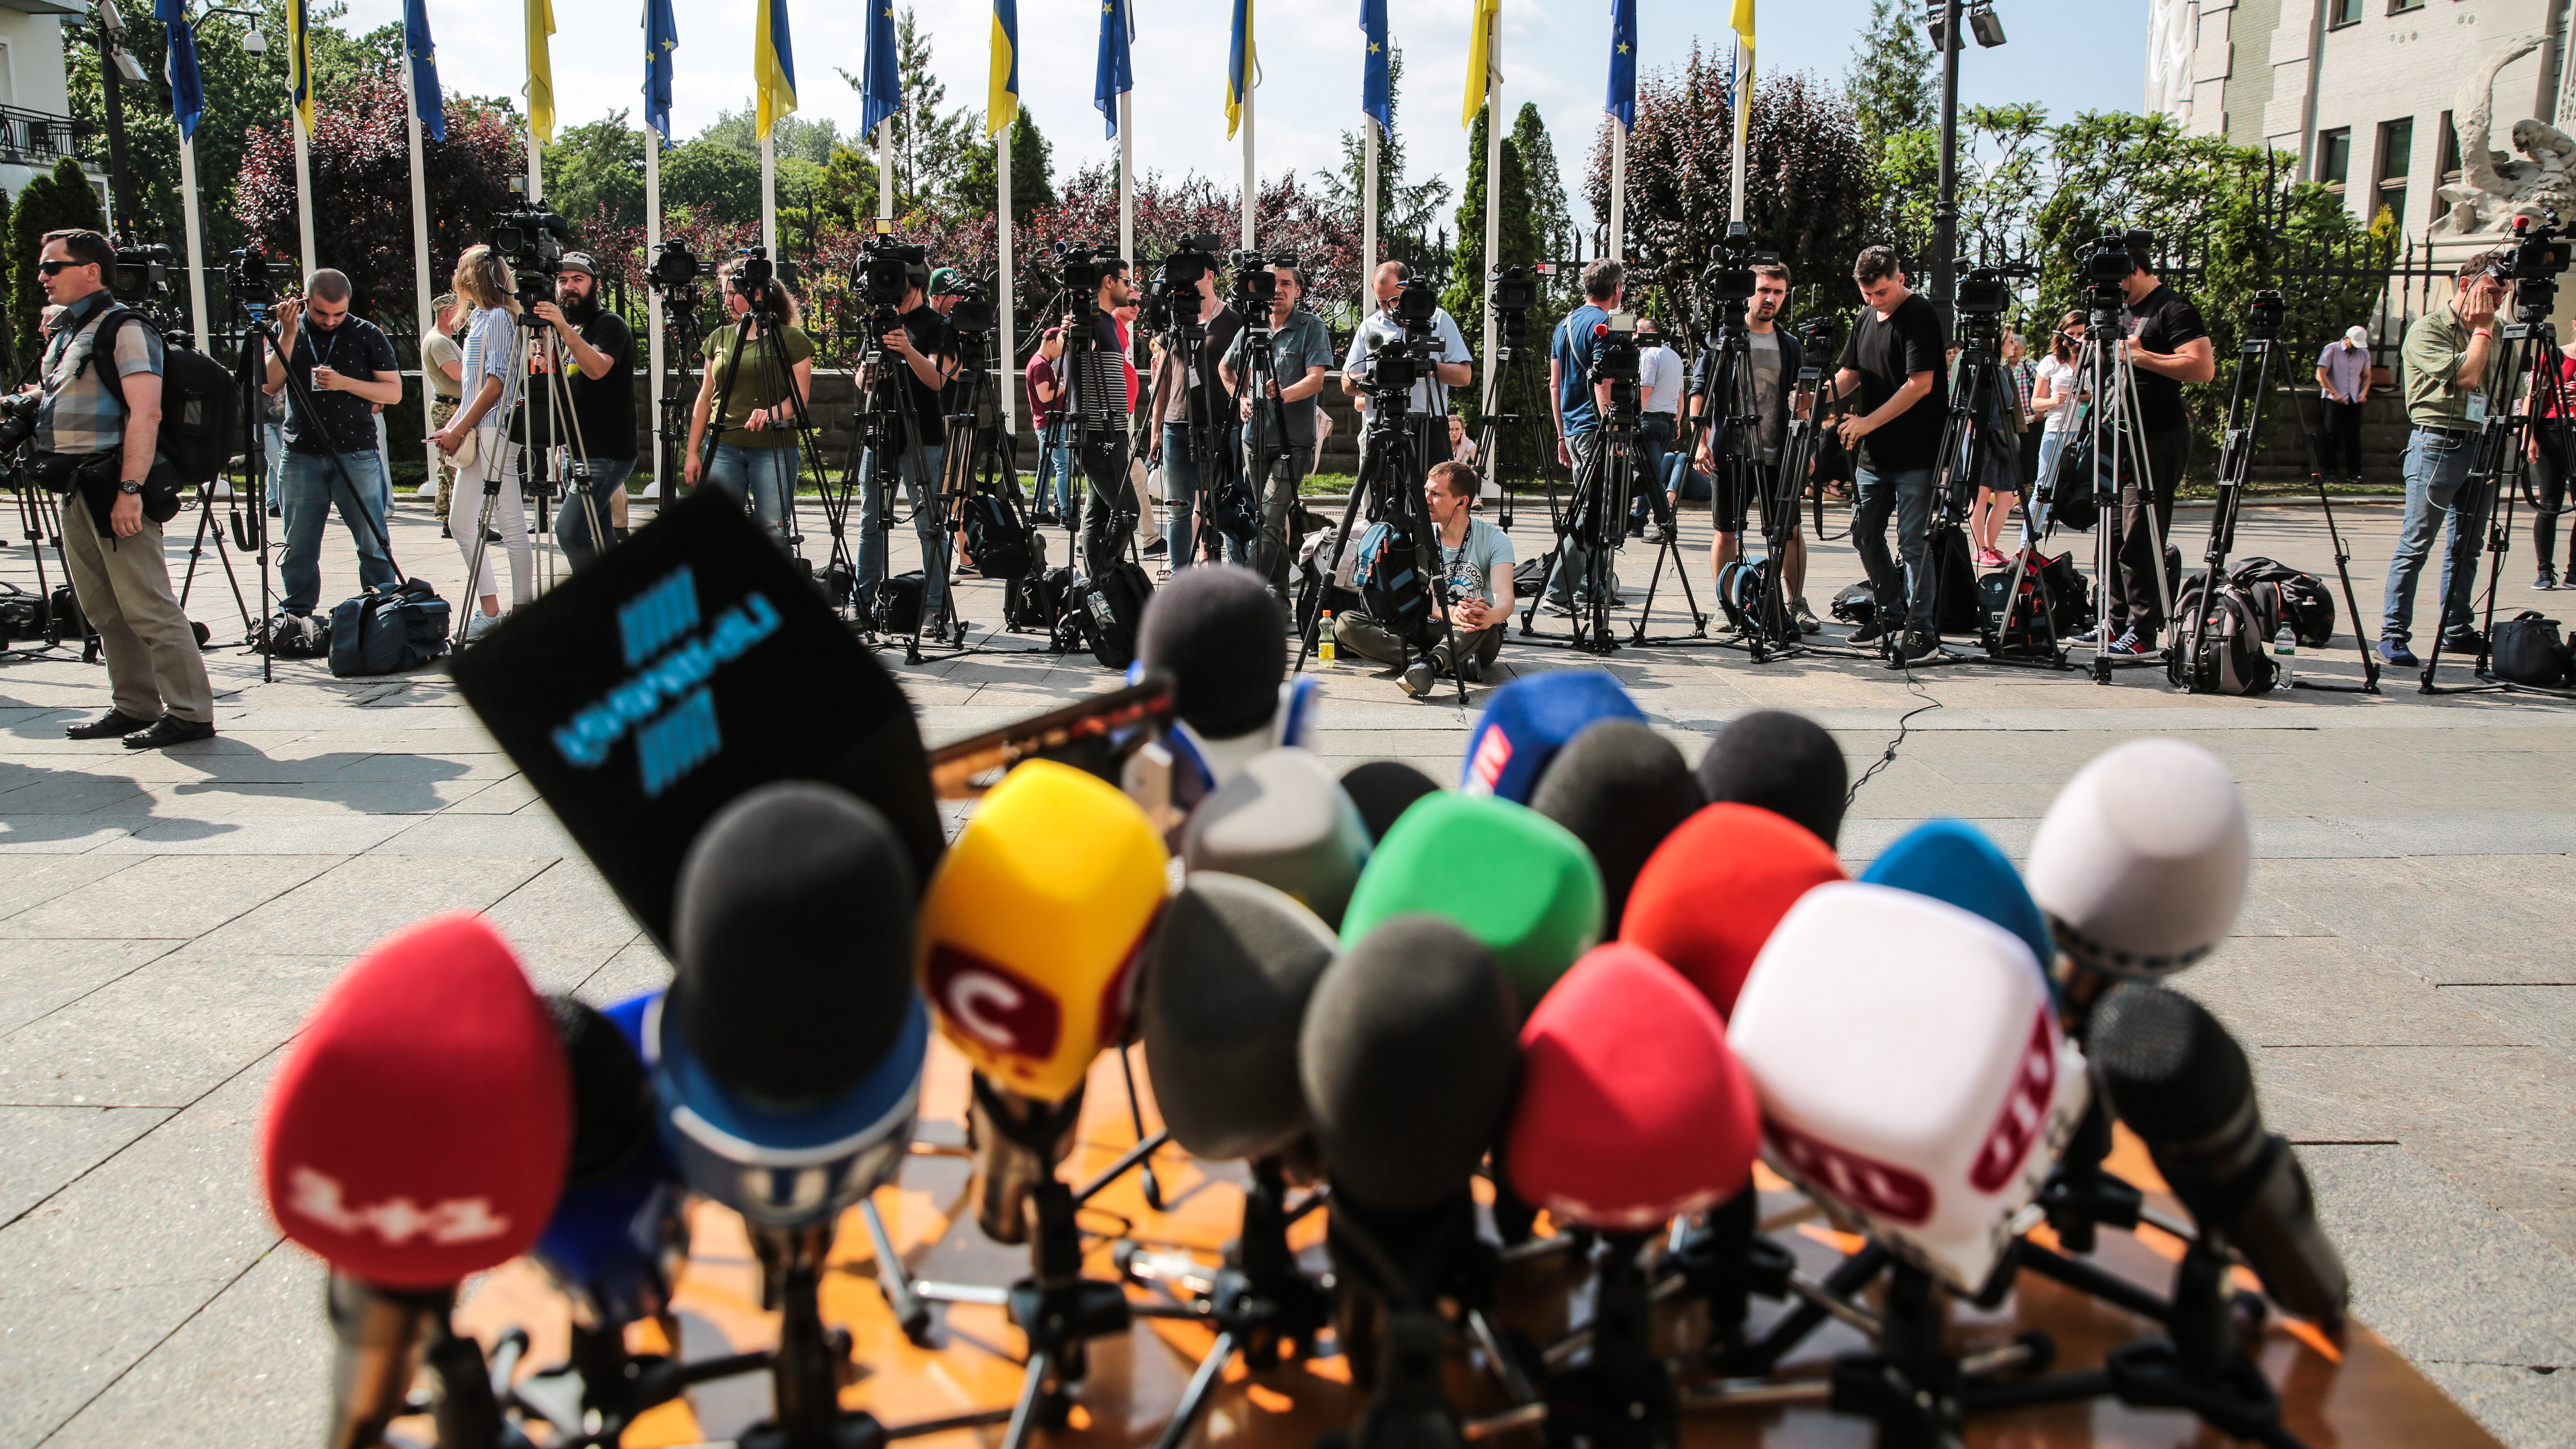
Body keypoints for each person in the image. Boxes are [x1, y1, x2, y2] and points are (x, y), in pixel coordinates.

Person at [36, 228, 215, 748]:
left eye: (53, 266)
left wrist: (131, 490)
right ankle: (135, 705)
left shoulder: (125, 328)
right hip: (77, 485)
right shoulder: (70, 330)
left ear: (91, 271)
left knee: (148, 606)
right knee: (102, 607)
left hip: (114, 483)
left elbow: (147, 412)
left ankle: (191, 713)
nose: (42, 276)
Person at [2381, 255, 2508, 666]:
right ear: (2465, 284)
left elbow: (2504, 389)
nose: (2498, 301)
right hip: (2438, 444)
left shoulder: (2500, 329)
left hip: (2484, 442)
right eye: (2491, 291)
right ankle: (2393, 633)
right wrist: (2483, 330)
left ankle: (2457, 629)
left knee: (2468, 547)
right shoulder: (2429, 329)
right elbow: (2467, 377)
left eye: (2503, 293)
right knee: (2416, 543)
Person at [1827, 245, 1949, 663]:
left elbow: (1920, 385)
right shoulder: (1865, 317)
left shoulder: (1920, 314)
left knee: (1913, 543)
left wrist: (1867, 423)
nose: (1875, 301)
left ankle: (1923, 631)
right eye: (1867, 294)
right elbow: (1849, 374)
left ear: (1900, 278)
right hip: (1875, 455)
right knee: (1864, 535)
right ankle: (1891, 613)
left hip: (1917, 452)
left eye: (1881, 292)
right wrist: (1818, 397)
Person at [265, 267, 403, 625]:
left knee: (373, 541)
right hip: (300, 452)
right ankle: (295, 618)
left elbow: (393, 392)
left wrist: (344, 383)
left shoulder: (367, 333)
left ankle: (382, 614)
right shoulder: (288, 328)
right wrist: (289, 334)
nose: (329, 321)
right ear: (305, 301)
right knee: (299, 545)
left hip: (356, 450)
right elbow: (269, 384)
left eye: (338, 314)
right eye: (321, 313)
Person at [2101, 235, 2213, 657]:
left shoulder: (2173, 307)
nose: (2113, 290)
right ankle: (2113, 624)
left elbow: (2202, 368)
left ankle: (2143, 630)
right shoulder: (2121, 309)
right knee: (2112, 533)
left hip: (2158, 435)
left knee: (2140, 534)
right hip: (2119, 434)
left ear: (2134, 270)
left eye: (2117, 280)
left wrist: (2141, 356)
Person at [1693, 262, 1814, 632]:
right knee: (1726, 532)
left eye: (1778, 292)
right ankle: (1725, 605)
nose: (1770, 298)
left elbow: (1801, 401)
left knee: (1790, 531)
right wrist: (1700, 442)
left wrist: (1807, 449)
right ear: (1749, 292)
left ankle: (1797, 604)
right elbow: (1700, 390)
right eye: (1764, 290)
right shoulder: (1723, 339)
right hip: (1731, 452)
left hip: (1779, 454)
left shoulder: (1789, 345)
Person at [1333, 461, 1514, 697]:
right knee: (1345, 623)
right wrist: (1450, 613)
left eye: (1436, 494)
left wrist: (1492, 615)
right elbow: (1417, 599)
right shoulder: (1414, 534)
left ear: (1462, 502)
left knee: (1479, 616)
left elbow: (1505, 597)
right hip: (1422, 624)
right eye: (1426, 491)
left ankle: (1432, 664)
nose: (1425, 499)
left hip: (1470, 632)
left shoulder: (1494, 539)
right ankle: (1443, 663)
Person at [849, 266, 958, 630]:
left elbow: (938, 380)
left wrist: (908, 350)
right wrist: (867, 375)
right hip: (880, 432)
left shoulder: (937, 324)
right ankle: (861, 604)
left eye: (895, 278)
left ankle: (934, 608)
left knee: (930, 524)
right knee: (870, 521)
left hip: (922, 435)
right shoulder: (878, 321)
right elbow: (861, 380)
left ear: (916, 282)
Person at [430, 246, 532, 636]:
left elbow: (495, 385)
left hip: (495, 430)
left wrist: (458, 429)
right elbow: (477, 387)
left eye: (460, 270)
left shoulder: (500, 319)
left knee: (511, 524)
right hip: (480, 429)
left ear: (471, 277)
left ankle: (517, 613)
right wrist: (454, 426)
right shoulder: (483, 318)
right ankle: (491, 611)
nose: (455, 278)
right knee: (461, 522)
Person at [1221, 262, 1335, 594]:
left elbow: (1316, 381)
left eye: (1286, 283)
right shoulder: (1252, 328)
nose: (1278, 290)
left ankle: (1244, 596)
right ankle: (1281, 599)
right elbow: (1225, 368)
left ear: (1298, 290)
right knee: (1269, 521)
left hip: (1294, 440)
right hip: (1253, 439)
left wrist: (1283, 395)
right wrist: (1240, 398)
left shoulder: (1311, 326)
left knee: (1271, 519)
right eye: (1272, 284)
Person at [686, 257, 815, 545]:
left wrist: (770, 413)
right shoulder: (720, 338)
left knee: (772, 530)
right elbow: (705, 397)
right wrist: (693, 452)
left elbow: (799, 399)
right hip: (722, 447)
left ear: (756, 292)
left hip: (773, 448)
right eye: (725, 293)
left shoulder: (791, 339)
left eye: (733, 293)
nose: (727, 301)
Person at [530, 252, 637, 572]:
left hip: (606, 453)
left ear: (596, 286)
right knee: (600, 537)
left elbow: (597, 369)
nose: (569, 287)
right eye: (563, 281)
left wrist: (563, 328)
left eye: (578, 280)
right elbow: (569, 392)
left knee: (570, 532)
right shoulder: (576, 330)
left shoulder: (609, 325)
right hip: (576, 450)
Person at [1344, 260, 1473, 504]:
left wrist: (1428, 366)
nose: (1388, 308)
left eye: (1394, 300)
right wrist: (1378, 375)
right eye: (1381, 302)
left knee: (1433, 504)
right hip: (1382, 425)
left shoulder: (1439, 320)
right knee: (1381, 504)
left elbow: (1464, 376)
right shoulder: (1370, 326)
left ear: (1409, 290)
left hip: (1429, 426)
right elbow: (1347, 383)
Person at [1148, 265, 1245, 571]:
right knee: (1179, 508)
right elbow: (1163, 377)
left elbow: (1243, 375)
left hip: (1222, 424)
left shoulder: (1233, 321)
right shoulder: (1174, 319)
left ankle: (1237, 580)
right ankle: (1180, 578)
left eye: (1194, 272)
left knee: (1226, 504)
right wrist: (1155, 429)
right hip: (1177, 424)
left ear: (1211, 276)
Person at [1548, 259, 1628, 611]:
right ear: (1616, 289)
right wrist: (1612, 426)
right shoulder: (1605, 325)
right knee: (1589, 511)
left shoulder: (1564, 325)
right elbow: (1603, 380)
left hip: (1574, 428)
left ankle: (1592, 586)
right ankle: (1559, 590)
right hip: (1597, 429)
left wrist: (1561, 436)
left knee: (1596, 507)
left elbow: (1555, 385)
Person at [1063, 257, 1144, 579]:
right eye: (1127, 281)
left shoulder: (1110, 322)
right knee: (1128, 513)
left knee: (1098, 512)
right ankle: (1103, 575)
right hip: (1096, 433)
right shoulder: (1085, 322)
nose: (1131, 289)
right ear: (1109, 282)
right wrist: (1070, 334)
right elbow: (1070, 368)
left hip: (1115, 430)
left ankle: (1098, 581)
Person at [1970, 328, 2034, 566]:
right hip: (1982, 437)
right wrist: (1972, 437)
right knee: (1980, 495)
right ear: (1997, 343)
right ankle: (1980, 549)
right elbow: (1969, 403)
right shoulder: (1979, 369)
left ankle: (1990, 546)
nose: (2014, 346)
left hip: (2003, 438)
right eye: (2010, 341)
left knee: (2007, 497)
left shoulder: (2004, 370)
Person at [1628, 319, 1685, 541]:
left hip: (1649, 422)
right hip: (1667, 423)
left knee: (1650, 476)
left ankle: (1666, 524)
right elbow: (1681, 395)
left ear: (1650, 332)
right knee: (1651, 473)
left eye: (1637, 332)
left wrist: (1634, 419)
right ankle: (1638, 522)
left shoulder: (1649, 355)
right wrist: (1677, 422)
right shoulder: (1674, 356)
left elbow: (1645, 390)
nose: (1634, 336)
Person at [2528, 335, 2576, 590]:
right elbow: (2532, 395)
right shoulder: (2555, 354)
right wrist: (2529, 436)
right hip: (2552, 430)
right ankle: (2545, 571)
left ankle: (2574, 572)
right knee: (2550, 504)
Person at [422, 293, 464, 536]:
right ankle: (460, 522)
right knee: (454, 465)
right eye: (460, 312)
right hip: (449, 407)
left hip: (451, 405)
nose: (464, 317)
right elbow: (457, 373)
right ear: (448, 314)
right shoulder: (439, 341)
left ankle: (450, 521)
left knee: (448, 466)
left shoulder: (444, 339)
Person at [1025, 327, 1075, 524]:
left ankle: (1041, 510)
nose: (1061, 354)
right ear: (1053, 342)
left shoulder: (1041, 364)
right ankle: (1066, 513)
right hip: (1051, 423)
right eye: (1061, 348)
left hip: (1046, 423)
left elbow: (1050, 386)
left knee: (1046, 468)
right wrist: (1066, 385)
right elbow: (1045, 396)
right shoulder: (1040, 365)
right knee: (1064, 467)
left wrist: (1060, 382)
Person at [2316, 325, 2372, 485]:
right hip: (2333, 399)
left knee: (2353, 437)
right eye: (2353, 345)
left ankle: (2355, 473)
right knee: (2331, 436)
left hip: (2354, 399)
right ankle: (2330, 472)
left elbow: (2367, 376)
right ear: (2346, 338)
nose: (2355, 348)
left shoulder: (2364, 353)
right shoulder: (2332, 349)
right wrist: (2334, 393)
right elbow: (2321, 375)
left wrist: (2363, 392)